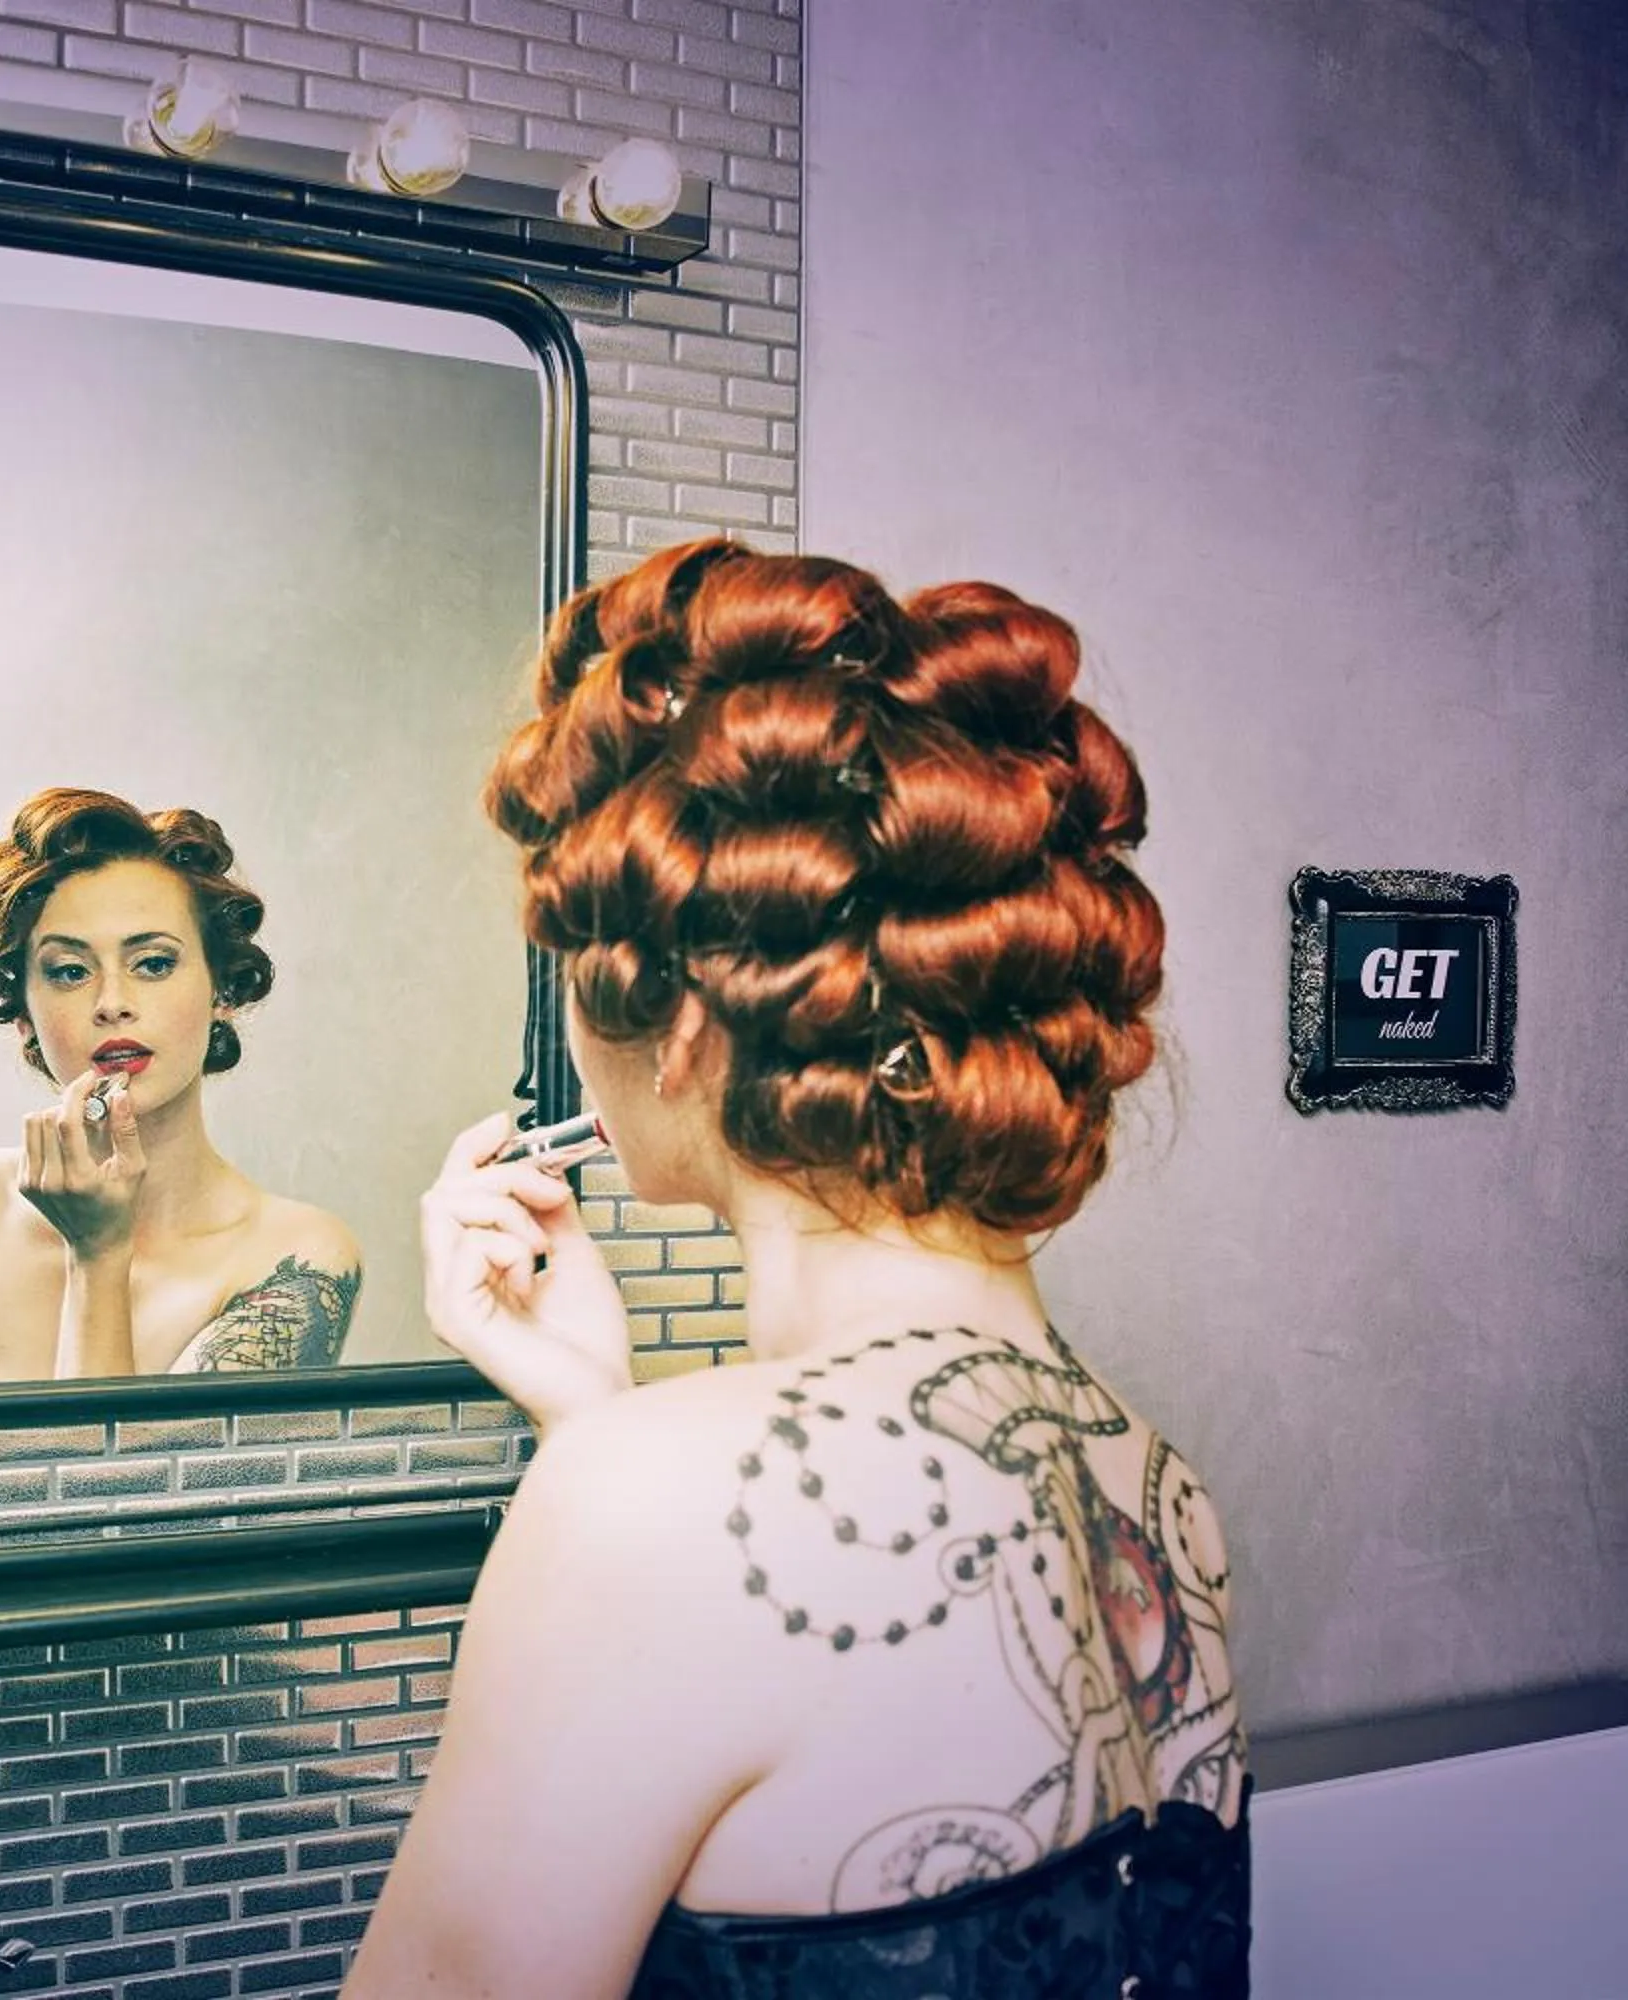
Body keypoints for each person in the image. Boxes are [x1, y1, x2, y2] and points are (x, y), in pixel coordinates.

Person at [344, 541, 1250, 1998]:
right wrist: (597, 1406)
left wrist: (612, 1454)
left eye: (572, 962)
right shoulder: (1155, 1493)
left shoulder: (652, 1511)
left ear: (688, 1021)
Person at [0, 788, 361, 1385]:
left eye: (153, 964)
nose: (113, 1004)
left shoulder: (295, 1258)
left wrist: (98, 1257)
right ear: (21, 1010)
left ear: (221, 989)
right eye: (70, 972)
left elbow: (119, 1481)